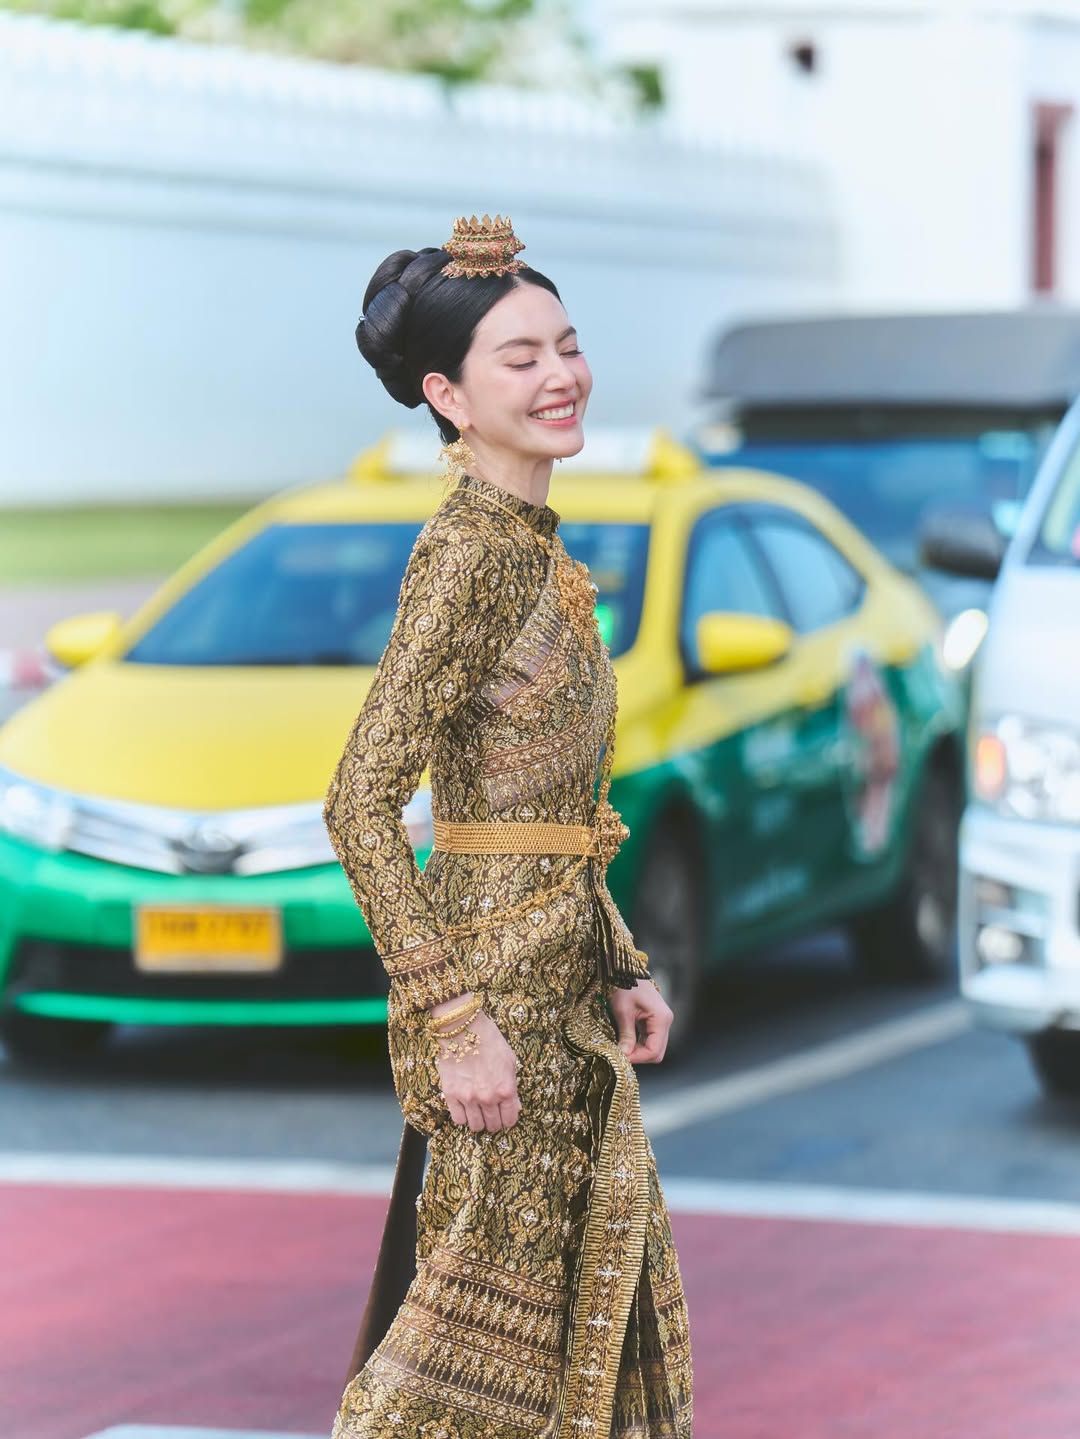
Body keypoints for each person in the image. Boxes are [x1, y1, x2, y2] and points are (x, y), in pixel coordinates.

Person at [322, 213, 693, 1438]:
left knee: (560, 1341)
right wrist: (454, 1020)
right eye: (520, 357)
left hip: (558, 986)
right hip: (496, 1012)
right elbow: (359, 800)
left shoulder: (530, 545)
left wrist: (619, 955)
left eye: (567, 345)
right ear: (448, 395)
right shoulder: (470, 556)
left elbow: (538, 811)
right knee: (468, 1367)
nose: (560, 375)